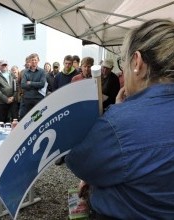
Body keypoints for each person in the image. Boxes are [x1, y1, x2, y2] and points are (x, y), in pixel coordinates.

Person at [65, 19, 174, 219]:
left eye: (122, 62)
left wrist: (117, 113)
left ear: (137, 62)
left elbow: (79, 163)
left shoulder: (118, 124)